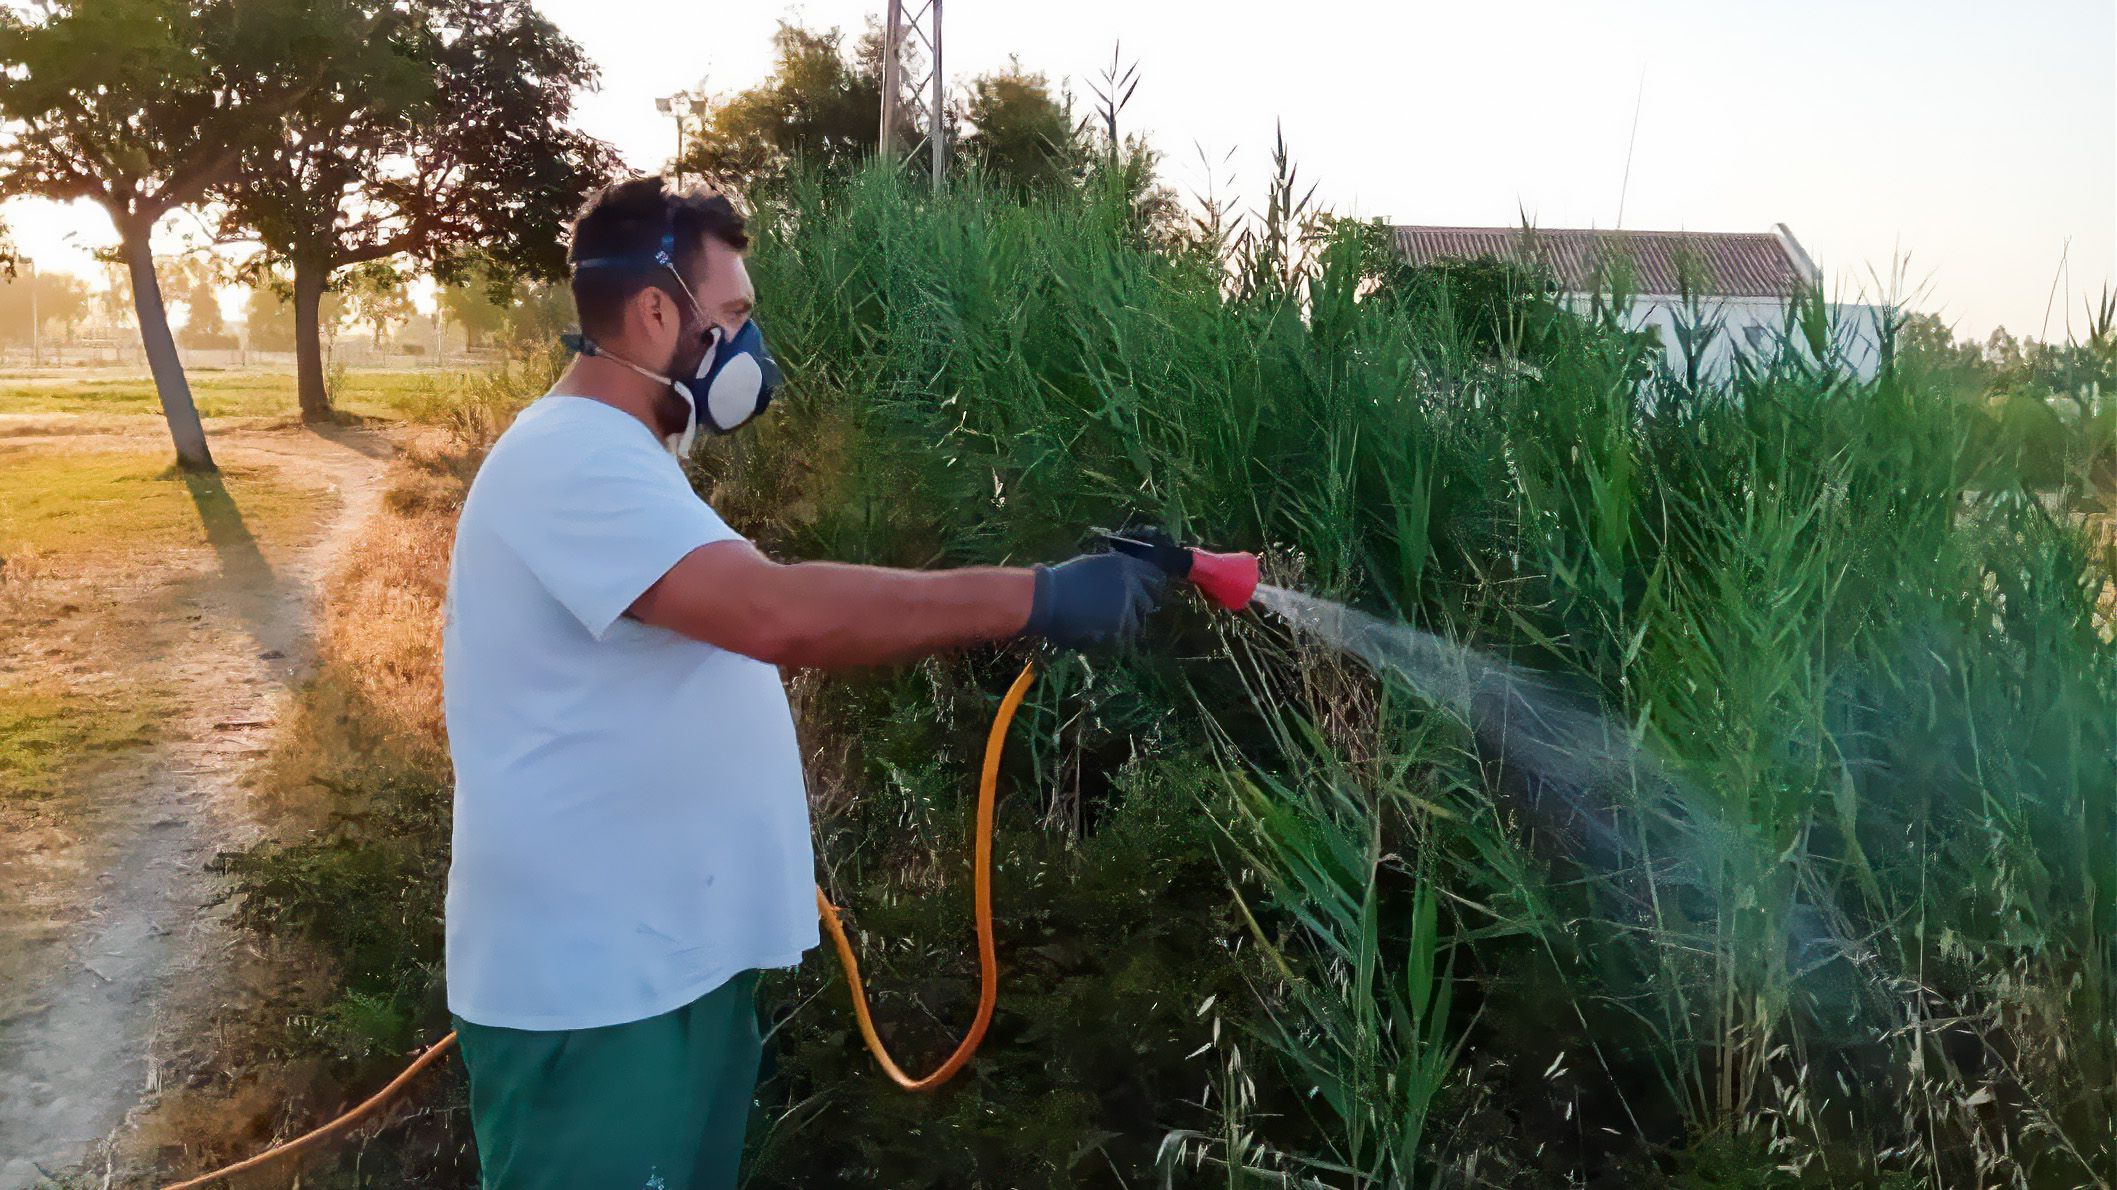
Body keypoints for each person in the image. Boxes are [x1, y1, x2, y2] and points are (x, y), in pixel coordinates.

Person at [439, 174, 1168, 1190]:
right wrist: (1036, 597)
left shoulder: (624, 458)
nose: (748, 345)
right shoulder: (571, 458)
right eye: (730, 314)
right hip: (597, 994)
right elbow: (773, 613)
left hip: (662, 970)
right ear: (655, 312)